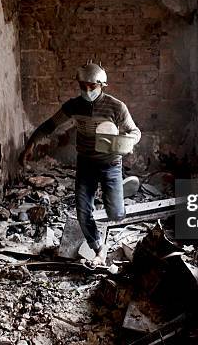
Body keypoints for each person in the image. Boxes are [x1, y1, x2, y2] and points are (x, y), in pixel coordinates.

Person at [19, 61, 141, 266]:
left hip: (110, 163)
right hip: (86, 164)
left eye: (92, 86)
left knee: (116, 214)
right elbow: (50, 124)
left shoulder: (116, 107)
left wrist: (124, 143)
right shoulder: (74, 106)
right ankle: (99, 250)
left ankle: (118, 190)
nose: (87, 90)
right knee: (83, 212)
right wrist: (30, 144)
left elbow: (135, 132)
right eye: (83, 86)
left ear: (102, 85)